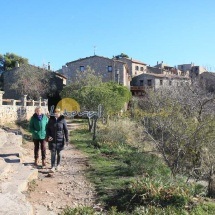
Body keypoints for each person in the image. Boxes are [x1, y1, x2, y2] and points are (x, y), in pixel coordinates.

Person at [46, 108, 69, 172]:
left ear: (60, 113)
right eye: (55, 112)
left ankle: (58, 165)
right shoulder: (51, 119)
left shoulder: (63, 120)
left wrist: (67, 140)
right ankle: (52, 166)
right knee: (53, 153)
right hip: (52, 140)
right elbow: (47, 129)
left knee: (59, 153)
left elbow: (66, 130)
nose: (56, 113)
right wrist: (48, 136)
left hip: (60, 140)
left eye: (58, 112)